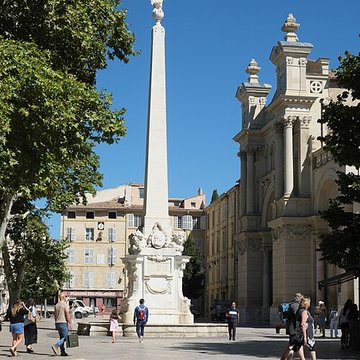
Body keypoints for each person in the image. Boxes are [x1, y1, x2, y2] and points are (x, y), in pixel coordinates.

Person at [280, 293, 304, 360]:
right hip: (295, 329)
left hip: (293, 329)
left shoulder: (291, 304)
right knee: (294, 346)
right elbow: (296, 314)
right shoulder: (296, 305)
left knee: (293, 345)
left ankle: (284, 358)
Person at [51, 290, 72, 356]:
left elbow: (55, 315)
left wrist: (56, 322)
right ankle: (56, 346)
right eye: (66, 296)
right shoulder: (65, 305)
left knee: (61, 338)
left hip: (57, 323)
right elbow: (67, 314)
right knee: (66, 337)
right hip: (63, 323)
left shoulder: (56, 305)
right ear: (63, 297)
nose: (66, 298)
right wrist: (70, 322)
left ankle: (62, 351)